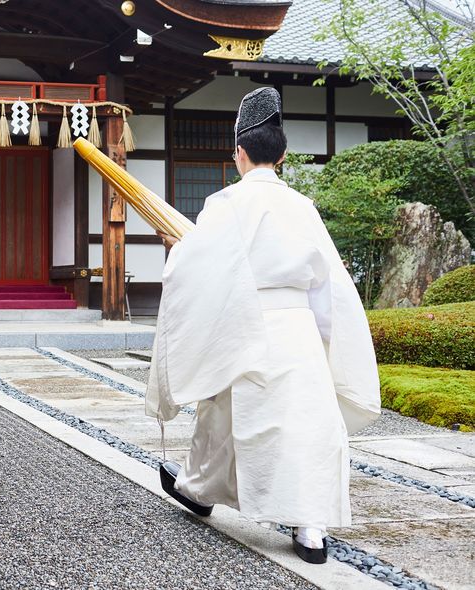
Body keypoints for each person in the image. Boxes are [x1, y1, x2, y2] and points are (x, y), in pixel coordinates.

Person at [147, 87, 381, 565]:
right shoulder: (305, 207)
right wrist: (322, 343)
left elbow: (195, 270)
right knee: (303, 427)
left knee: (224, 414)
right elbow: (329, 286)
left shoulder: (226, 203)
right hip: (298, 330)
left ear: (238, 152)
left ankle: (199, 490)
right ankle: (309, 529)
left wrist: (176, 248)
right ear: (284, 155)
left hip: (245, 321)